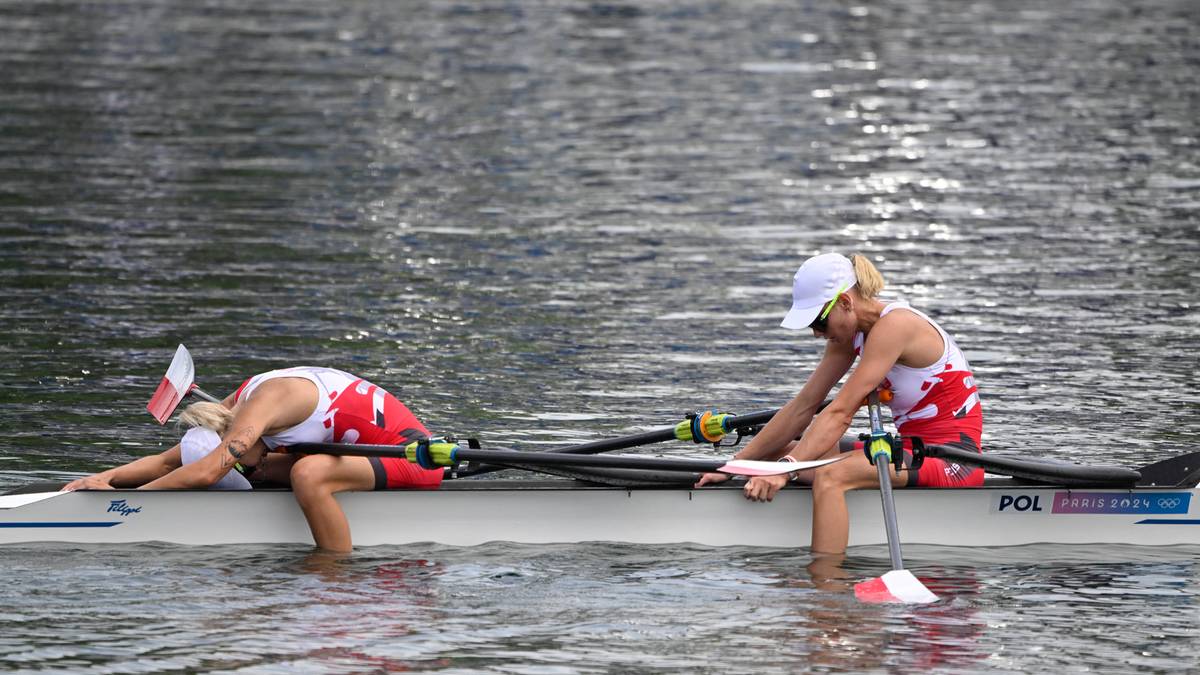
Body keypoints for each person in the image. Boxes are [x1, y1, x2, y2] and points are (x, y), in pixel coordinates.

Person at [697, 253, 983, 554]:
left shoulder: (896, 326)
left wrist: (785, 472)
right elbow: (803, 407)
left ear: (845, 303)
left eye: (819, 321)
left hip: (953, 461)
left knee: (830, 475)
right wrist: (735, 465)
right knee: (774, 455)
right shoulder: (850, 334)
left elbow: (840, 412)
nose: (816, 333)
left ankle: (826, 588)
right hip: (910, 451)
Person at [63, 367, 443, 551]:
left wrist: (133, 504)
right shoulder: (234, 406)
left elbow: (209, 471)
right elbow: (169, 463)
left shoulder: (259, 411)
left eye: (241, 456)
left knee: (308, 473)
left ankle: (335, 572)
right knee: (280, 467)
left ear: (240, 436)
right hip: (353, 453)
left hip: (414, 458)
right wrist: (103, 480)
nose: (244, 461)